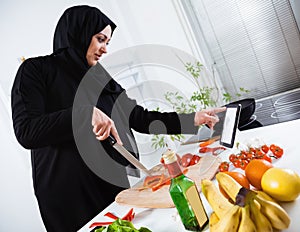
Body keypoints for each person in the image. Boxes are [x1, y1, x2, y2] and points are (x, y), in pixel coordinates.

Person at [11, 5, 225, 232]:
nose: (104, 49)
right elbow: (27, 132)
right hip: (70, 196)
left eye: (107, 43)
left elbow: (139, 117)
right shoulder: (35, 70)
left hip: (110, 183)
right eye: (100, 39)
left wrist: (193, 118)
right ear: (79, 33)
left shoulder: (99, 76)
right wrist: (84, 113)